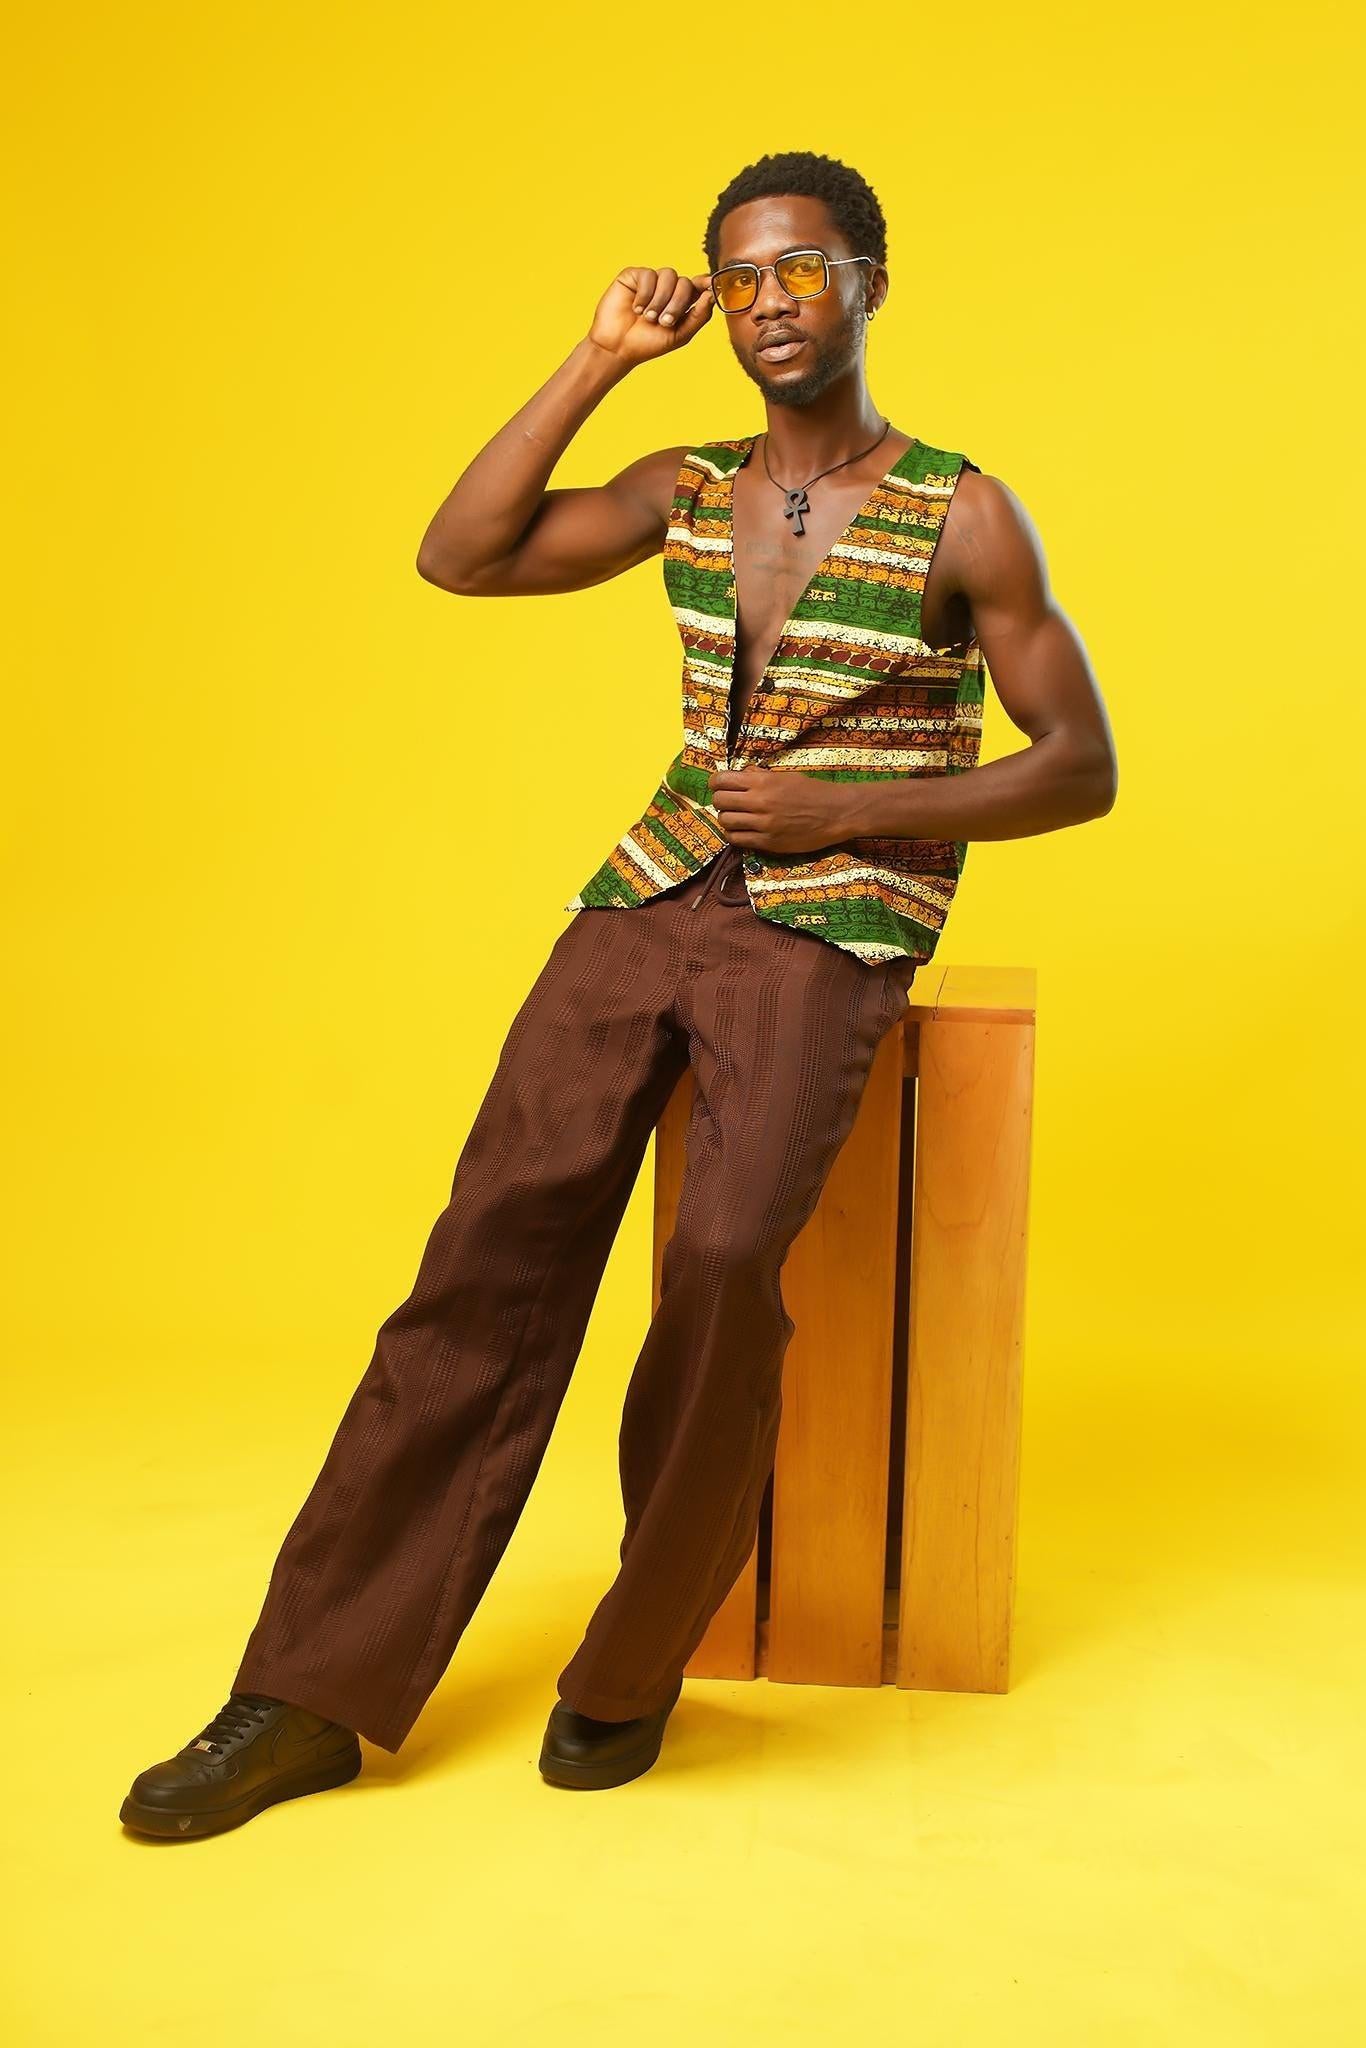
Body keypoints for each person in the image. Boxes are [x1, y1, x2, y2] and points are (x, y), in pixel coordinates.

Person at [119, 150, 1116, 1837]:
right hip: (653, 889)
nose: (768, 302)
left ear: (872, 278)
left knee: (723, 1254)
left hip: (832, 917)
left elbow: (1078, 765)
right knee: (485, 1250)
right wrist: (595, 359)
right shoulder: (683, 482)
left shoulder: (964, 509)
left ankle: (633, 1656)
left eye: (802, 267)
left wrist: (850, 806)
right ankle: (302, 1693)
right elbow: (462, 555)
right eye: (737, 278)